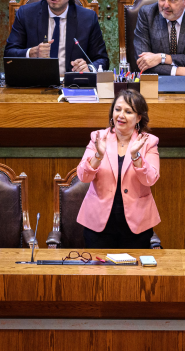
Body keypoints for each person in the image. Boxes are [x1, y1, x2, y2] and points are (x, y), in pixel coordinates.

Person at [76, 90, 161, 249]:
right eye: (118, 109)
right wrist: (98, 156)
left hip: (136, 224)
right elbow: (83, 176)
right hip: (98, 223)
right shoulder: (98, 137)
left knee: (132, 272)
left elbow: (150, 179)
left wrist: (136, 156)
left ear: (139, 117)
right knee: (99, 272)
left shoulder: (148, 142)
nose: (121, 115)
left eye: (128, 112)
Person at [4, 0, 109, 75]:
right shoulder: (26, 14)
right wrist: (31, 53)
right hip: (35, 84)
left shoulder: (87, 18)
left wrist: (89, 68)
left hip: (73, 86)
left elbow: (102, 60)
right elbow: (8, 55)